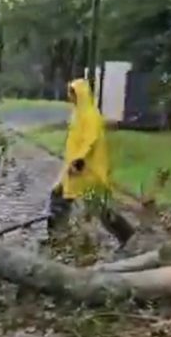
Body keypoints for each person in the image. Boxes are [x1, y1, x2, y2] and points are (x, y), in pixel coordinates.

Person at [48, 78, 135, 245]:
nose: (71, 97)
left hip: (87, 170)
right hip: (75, 169)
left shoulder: (91, 115)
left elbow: (91, 140)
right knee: (59, 197)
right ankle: (57, 236)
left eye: (74, 93)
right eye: (70, 93)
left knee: (98, 207)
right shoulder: (78, 114)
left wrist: (78, 160)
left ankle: (127, 236)